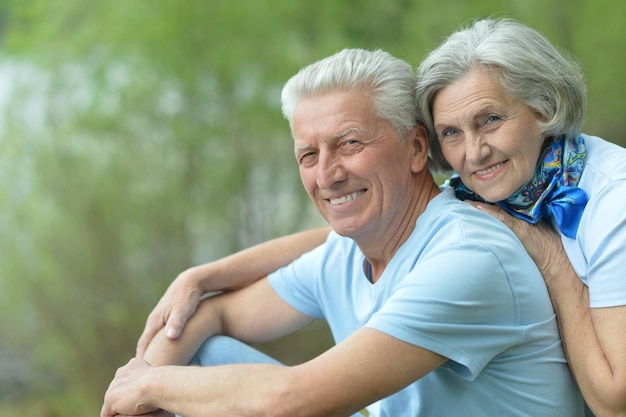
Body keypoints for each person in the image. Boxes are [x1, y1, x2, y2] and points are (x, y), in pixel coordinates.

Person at [136, 18, 626, 417]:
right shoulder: (477, 192)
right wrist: (201, 278)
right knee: (198, 361)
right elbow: (315, 248)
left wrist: (553, 261)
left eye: (350, 144)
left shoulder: (602, 204)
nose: (473, 152)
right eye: (451, 133)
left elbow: (615, 399)